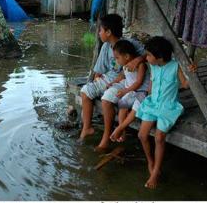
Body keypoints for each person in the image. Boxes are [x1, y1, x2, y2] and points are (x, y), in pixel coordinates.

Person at [110, 36, 196, 189]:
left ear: (160, 57)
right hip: (152, 103)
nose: (146, 57)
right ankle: (150, 161)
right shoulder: (153, 66)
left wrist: (192, 73)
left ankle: (156, 170)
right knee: (142, 135)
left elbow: (185, 84)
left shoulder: (176, 67)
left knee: (159, 137)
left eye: (149, 55)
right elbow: (151, 84)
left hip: (168, 106)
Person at [79, 14, 145, 141]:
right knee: (85, 91)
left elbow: (148, 54)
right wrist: (96, 82)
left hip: (124, 81)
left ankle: (106, 136)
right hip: (108, 79)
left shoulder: (130, 44)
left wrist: (138, 60)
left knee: (106, 99)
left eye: (100, 30)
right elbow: (99, 70)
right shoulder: (105, 47)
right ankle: (86, 128)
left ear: (108, 32)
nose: (99, 33)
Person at [96, 39, 150, 150]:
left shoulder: (140, 65)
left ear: (126, 56)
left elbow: (138, 82)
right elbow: (122, 76)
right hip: (131, 91)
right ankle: (123, 131)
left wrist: (125, 91)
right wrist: (112, 82)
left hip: (141, 92)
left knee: (136, 107)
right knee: (122, 106)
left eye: (117, 58)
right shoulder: (125, 65)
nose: (116, 60)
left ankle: (120, 128)